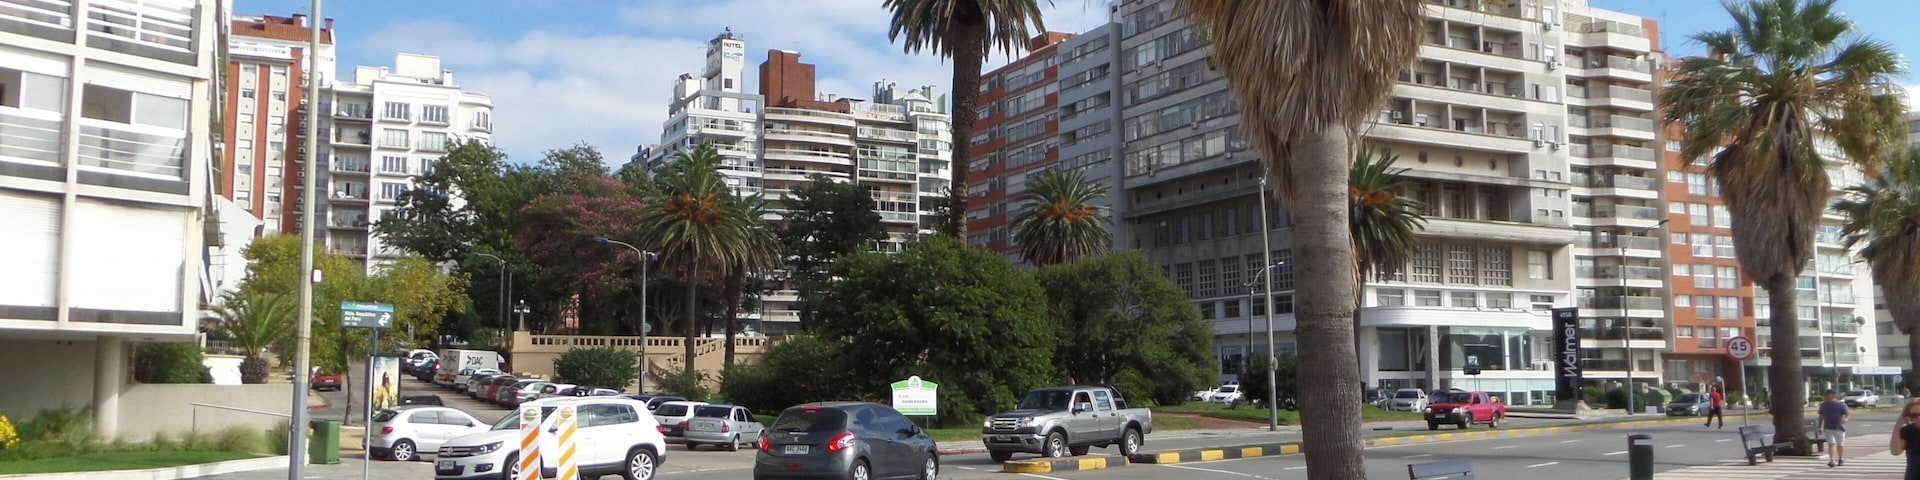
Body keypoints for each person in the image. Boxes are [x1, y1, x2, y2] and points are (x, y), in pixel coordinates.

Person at [1890, 398, 1920, 479]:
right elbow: (1896, 451)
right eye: (1914, 415)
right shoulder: (1908, 431)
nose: (1918, 418)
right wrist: (1898, 425)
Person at [1820, 389, 1851, 468]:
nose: (1826, 396)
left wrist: (1845, 419)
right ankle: (1832, 460)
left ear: (1833, 395)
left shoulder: (1841, 405)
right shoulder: (1824, 405)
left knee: (1840, 444)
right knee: (1831, 444)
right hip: (1828, 427)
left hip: (1839, 427)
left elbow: (1847, 414)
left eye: (1828, 394)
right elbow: (1821, 416)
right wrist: (1820, 426)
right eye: (1826, 395)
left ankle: (1841, 459)